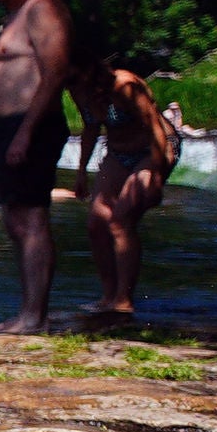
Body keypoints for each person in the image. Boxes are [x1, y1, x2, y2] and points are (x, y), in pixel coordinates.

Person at [0, 0, 75, 334]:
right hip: (5, 129)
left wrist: (25, 134)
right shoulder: (13, 16)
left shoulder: (42, 9)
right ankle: (27, 312)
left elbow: (55, 73)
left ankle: (34, 317)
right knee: (16, 220)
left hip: (29, 125)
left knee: (31, 218)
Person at [73, 55, 177, 315]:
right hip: (118, 153)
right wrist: (81, 171)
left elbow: (155, 126)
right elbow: (90, 129)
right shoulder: (76, 88)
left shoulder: (125, 85)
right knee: (96, 223)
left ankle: (124, 300)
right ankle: (108, 296)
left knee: (121, 221)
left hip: (155, 150)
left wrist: (156, 172)